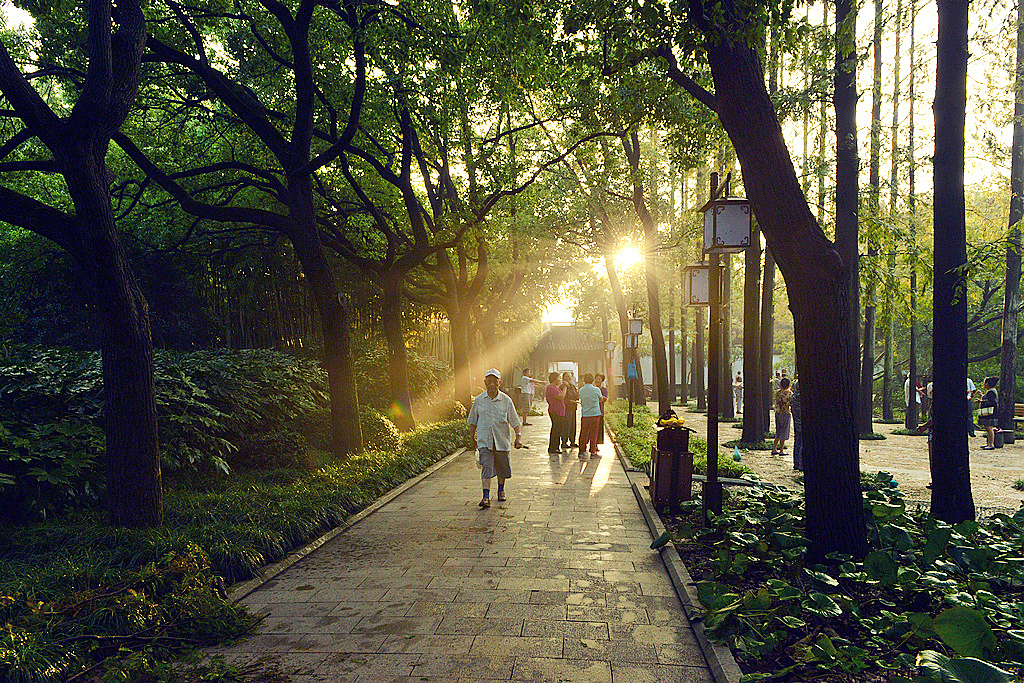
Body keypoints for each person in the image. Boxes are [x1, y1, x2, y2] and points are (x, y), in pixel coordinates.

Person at [467, 368, 522, 509]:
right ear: (485, 382)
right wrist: (472, 437)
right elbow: (472, 421)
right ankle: (485, 497)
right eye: (489, 381)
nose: (492, 384)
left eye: (495, 381)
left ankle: (501, 489)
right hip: (485, 441)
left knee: (502, 468)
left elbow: (515, 421)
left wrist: (518, 437)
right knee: (486, 467)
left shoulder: (506, 400)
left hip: (501, 440)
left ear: (499, 382)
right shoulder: (479, 400)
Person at [577, 373, 604, 459]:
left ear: (584, 380)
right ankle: (593, 451)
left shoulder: (581, 390)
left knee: (583, 433)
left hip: (585, 414)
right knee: (594, 433)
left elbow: (581, 399)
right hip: (595, 414)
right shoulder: (596, 390)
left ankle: (581, 451)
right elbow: (601, 399)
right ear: (593, 380)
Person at [545, 372, 567, 455]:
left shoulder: (555, 387)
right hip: (555, 411)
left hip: (559, 411)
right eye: (559, 378)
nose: (560, 380)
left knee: (558, 429)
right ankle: (553, 447)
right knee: (556, 429)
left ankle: (555, 446)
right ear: (554, 379)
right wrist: (565, 388)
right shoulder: (551, 388)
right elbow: (561, 396)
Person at [772, 377, 793, 456]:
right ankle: (781, 450)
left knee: (778, 430)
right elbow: (791, 402)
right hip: (785, 413)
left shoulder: (777, 392)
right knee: (784, 431)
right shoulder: (789, 393)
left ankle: (774, 448)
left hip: (777, 412)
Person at [979, 376, 999, 450]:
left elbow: (991, 402)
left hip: (990, 413)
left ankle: (991, 444)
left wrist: (981, 401)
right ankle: (989, 443)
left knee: (989, 428)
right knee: (988, 428)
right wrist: (981, 395)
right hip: (991, 412)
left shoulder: (991, 392)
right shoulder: (991, 391)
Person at [562, 371, 579, 449]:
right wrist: (569, 401)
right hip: (566, 408)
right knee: (566, 425)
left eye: (569, 376)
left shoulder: (572, 386)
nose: (568, 378)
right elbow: (562, 397)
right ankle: (564, 442)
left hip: (573, 408)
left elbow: (576, 396)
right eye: (566, 376)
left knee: (573, 424)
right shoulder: (562, 386)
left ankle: (572, 441)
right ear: (563, 378)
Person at [791, 377, 802, 471]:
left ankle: (796, 463)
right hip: (802, 423)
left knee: (797, 442)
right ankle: (801, 464)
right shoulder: (802, 398)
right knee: (802, 442)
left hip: (796, 422)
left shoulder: (793, 397)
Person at [595, 373, 608, 444]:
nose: (597, 380)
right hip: (593, 411)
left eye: (599, 379)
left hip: (600, 411)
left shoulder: (604, 390)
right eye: (596, 378)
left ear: (602, 380)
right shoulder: (593, 388)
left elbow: (604, 399)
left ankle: (597, 443)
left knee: (599, 428)